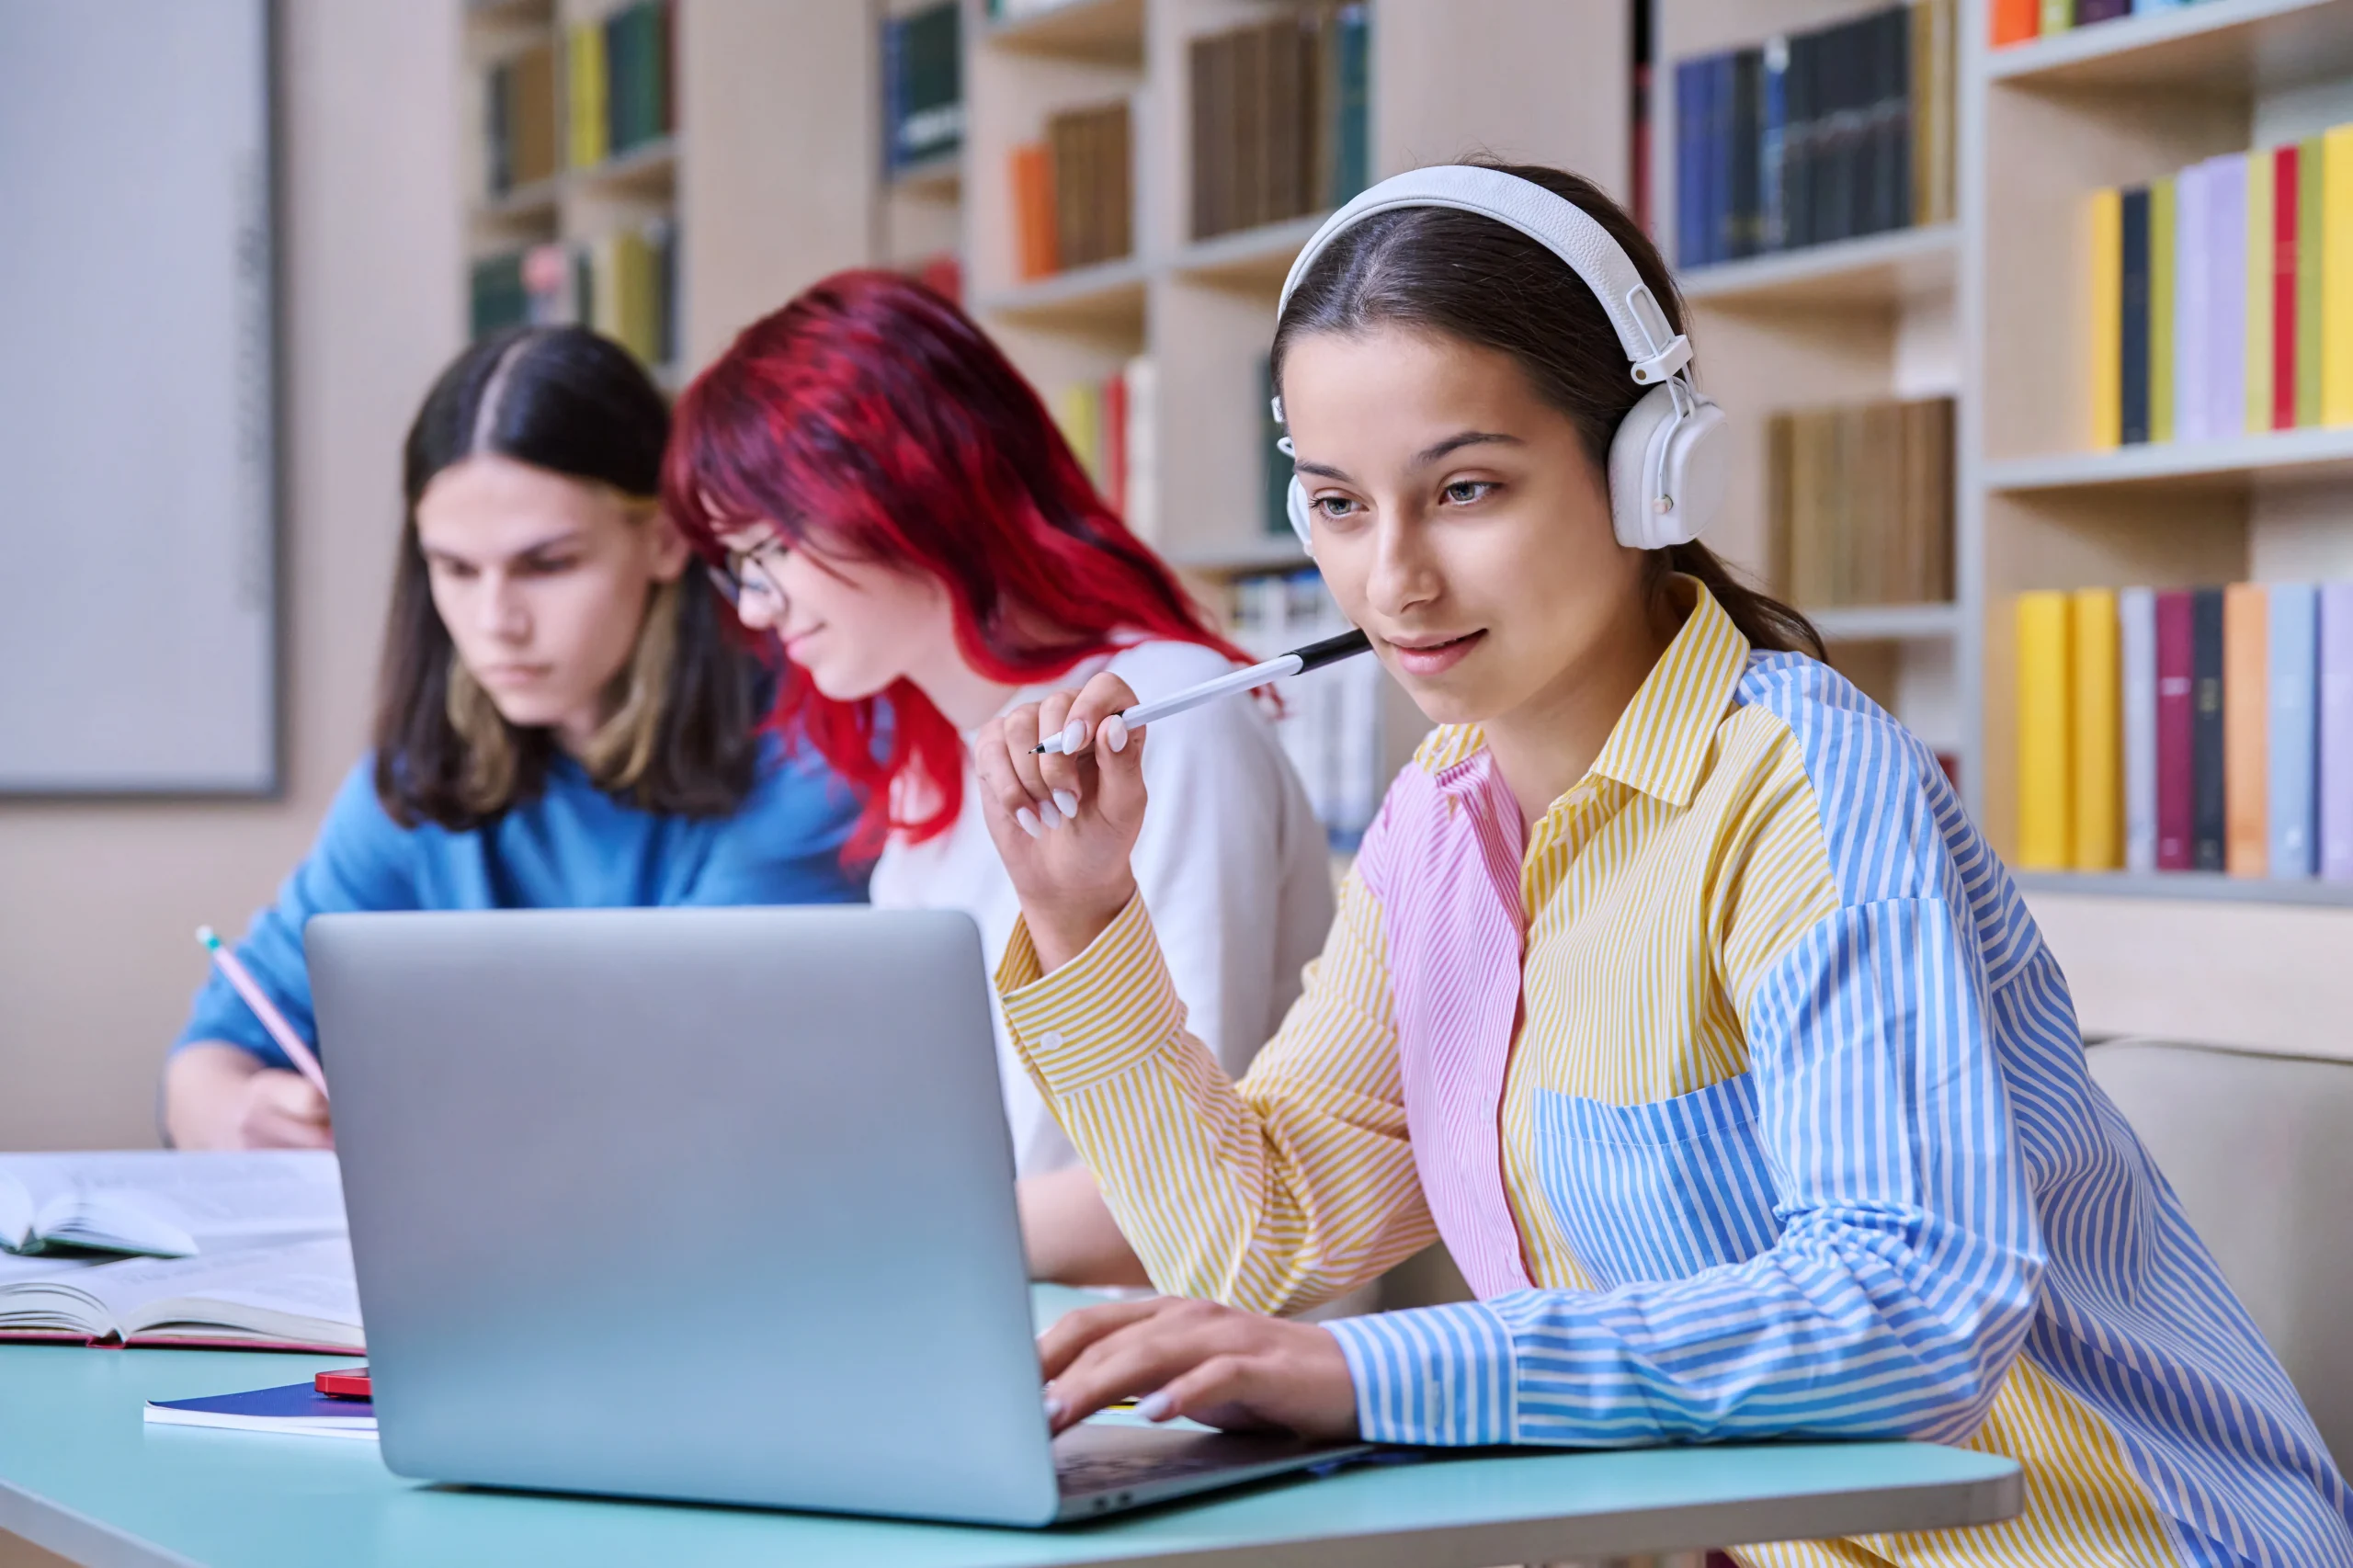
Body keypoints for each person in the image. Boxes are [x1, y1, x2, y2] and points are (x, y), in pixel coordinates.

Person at [972, 163, 2353, 1566]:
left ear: (1647, 467)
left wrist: (1377, 1375)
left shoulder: (1802, 776)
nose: (1394, 580)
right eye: (1337, 504)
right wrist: (1083, 911)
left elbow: (1913, 1306)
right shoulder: (1434, 828)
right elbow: (1256, 1246)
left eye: (1464, 489)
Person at [663, 270, 1334, 1286]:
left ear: (895, 490)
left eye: (767, 552)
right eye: (735, 566)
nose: (754, 608)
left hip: (1174, 1376)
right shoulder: (928, 776)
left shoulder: (1156, 720)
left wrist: (860, 1235)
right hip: (1001, 1322)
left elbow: (1196, 1182)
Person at [167, 326, 865, 1151]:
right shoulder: (418, 777)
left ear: (666, 540)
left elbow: (695, 1095)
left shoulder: (807, 748)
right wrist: (236, 1113)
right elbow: (207, 1061)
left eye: (548, 565)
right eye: (455, 571)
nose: (495, 623)